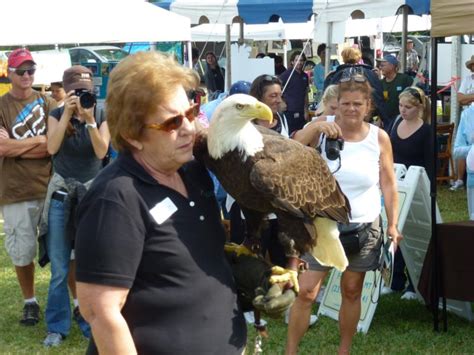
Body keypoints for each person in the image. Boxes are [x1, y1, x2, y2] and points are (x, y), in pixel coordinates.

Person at [74, 51, 246, 354]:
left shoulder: (193, 171)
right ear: (132, 135)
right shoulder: (115, 198)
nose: (189, 128)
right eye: (172, 122)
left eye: (191, 113)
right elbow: (101, 312)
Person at [287, 70, 402, 355]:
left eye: (357, 104)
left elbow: (388, 183)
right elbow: (289, 152)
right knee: (307, 291)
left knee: (351, 290)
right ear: (336, 103)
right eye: (345, 103)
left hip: (364, 225)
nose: (351, 109)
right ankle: (290, 351)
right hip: (323, 224)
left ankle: (344, 351)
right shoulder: (321, 127)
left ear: (368, 107)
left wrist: (393, 224)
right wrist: (314, 130)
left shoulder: (379, 137)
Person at [39, 65, 110, 347]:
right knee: (59, 267)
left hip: (92, 195)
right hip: (61, 194)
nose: (81, 96)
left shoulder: (102, 113)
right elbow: (51, 148)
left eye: (85, 91)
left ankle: (92, 320)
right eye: (75, 92)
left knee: (90, 264)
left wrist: (89, 119)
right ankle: (57, 327)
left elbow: (102, 151)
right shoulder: (56, 114)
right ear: (66, 91)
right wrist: (67, 112)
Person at [0, 48, 56, 326]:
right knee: (21, 252)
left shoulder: (46, 102)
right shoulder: (1, 105)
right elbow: (1, 147)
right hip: (15, 191)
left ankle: (77, 302)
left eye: (30, 70)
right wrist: (39, 142)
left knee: (62, 249)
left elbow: (54, 145)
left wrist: (16, 147)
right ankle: (30, 302)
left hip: (49, 187)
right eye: (20, 71)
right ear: (9, 73)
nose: (26, 76)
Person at [386, 86, 432, 299]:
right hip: (395, 185)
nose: (403, 110)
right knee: (393, 233)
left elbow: (430, 164)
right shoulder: (395, 123)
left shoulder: (426, 131)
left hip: (416, 188)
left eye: (408, 107)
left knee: (415, 235)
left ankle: (415, 284)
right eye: (400, 106)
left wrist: (429, 192)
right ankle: (395, 280)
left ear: (419, 108)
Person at [324, 47, 388, 126]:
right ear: (359, 57)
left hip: (340, 118)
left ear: (343, 57)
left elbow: (327, 98)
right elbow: (378, 98)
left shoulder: (334, 75)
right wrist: (383, 118)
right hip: (365, 117)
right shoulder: (371, 74)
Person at [451, 55, 474, 191]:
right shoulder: (467, 79)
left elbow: (464, 98)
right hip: (467, 115)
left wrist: (469, 97)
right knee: (463, 145)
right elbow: (460, 99)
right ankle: (460, 179)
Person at [377, 54, 414, 132]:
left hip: (403, 120)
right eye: (380, 66)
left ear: (392, 66)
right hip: (387, 122)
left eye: (383, 65)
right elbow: (379, 103)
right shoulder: (380, 83)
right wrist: (379, 118)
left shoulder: (404, 79)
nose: (380, 67)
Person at [279, 51, 310, 135]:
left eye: (301, 60)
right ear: (292, 61)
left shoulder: (305, 76)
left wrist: (306, 110)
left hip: (301, 112)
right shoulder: (285, 75)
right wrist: (282, 102)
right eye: (297, 60)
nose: (299, 62)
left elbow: (305, 93)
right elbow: (277, 90)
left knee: (302, 134)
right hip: (289, 111)